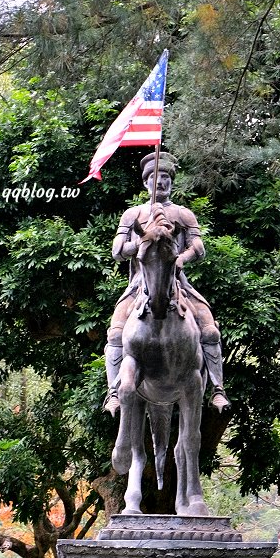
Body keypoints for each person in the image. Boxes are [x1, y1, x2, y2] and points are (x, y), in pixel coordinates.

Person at [103, 151, 230, 415]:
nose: (160, 182)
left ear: (171, 182)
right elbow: (117, 250)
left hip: (178, 282)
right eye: (154, 177)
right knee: (115, 332)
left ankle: (217, 389)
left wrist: (182, 258)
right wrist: (141, 243)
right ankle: (114, 392)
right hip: (140, 283)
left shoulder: (183, 214)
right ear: (145, 182)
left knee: (209, 329)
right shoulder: (132, 214)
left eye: (165, 177)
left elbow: (199, 247)